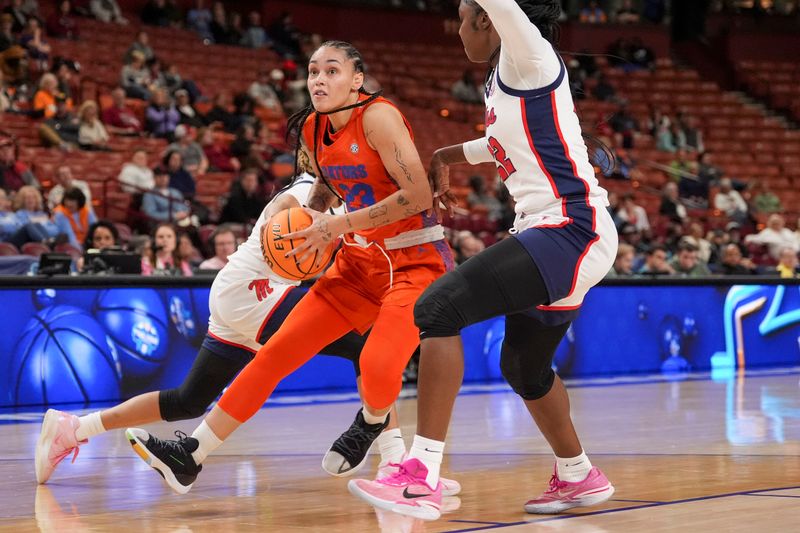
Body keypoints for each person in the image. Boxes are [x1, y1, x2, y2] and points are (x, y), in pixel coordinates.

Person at [124, 40, 457, 496]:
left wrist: (338, 224)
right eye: (313, 71)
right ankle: (191, 456)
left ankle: (371, 421)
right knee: (275, 354)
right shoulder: (313, 130)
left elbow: (418, 197)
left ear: (356, 80)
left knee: (378, 364)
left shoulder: (380, 117)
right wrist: (307, 221)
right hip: (357, 265)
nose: (319, 80)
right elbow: (326, 184)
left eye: (332, 71)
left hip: (414, 261)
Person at [349, 0, 618, 520]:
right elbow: (498, 143)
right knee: (523, 365)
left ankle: (420, 476)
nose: (456, 31)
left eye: (462, 18)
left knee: (436, 309)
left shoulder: (530, 56)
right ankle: (578, 474)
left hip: (569, 229)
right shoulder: (507, 79)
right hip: (565, 236)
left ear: (489, 20)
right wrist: (444, 156)